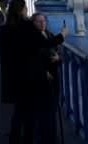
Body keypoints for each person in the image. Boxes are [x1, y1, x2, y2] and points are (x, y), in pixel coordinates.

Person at [0, 0, 35, 143]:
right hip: (28, 76)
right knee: (29, 114)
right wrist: (60, 37)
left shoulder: (3, 29)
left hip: (12, 76)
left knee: (19, 111)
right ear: (22, 10)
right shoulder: (28, 26)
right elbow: (37, 47)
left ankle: (14, 139)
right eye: (25, 8)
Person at [27, 13, 67, 143]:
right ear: (33, 24)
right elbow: (32, 59)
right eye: (39, 21)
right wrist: (62, 35)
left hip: (53, 79)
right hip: (41, 81)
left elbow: (56, 52)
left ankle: (51, 138)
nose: (42, 23)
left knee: (51, 112)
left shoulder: (48, 34)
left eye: (43, 21)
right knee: (42, 114)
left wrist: (58, 58)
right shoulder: (33, 37)